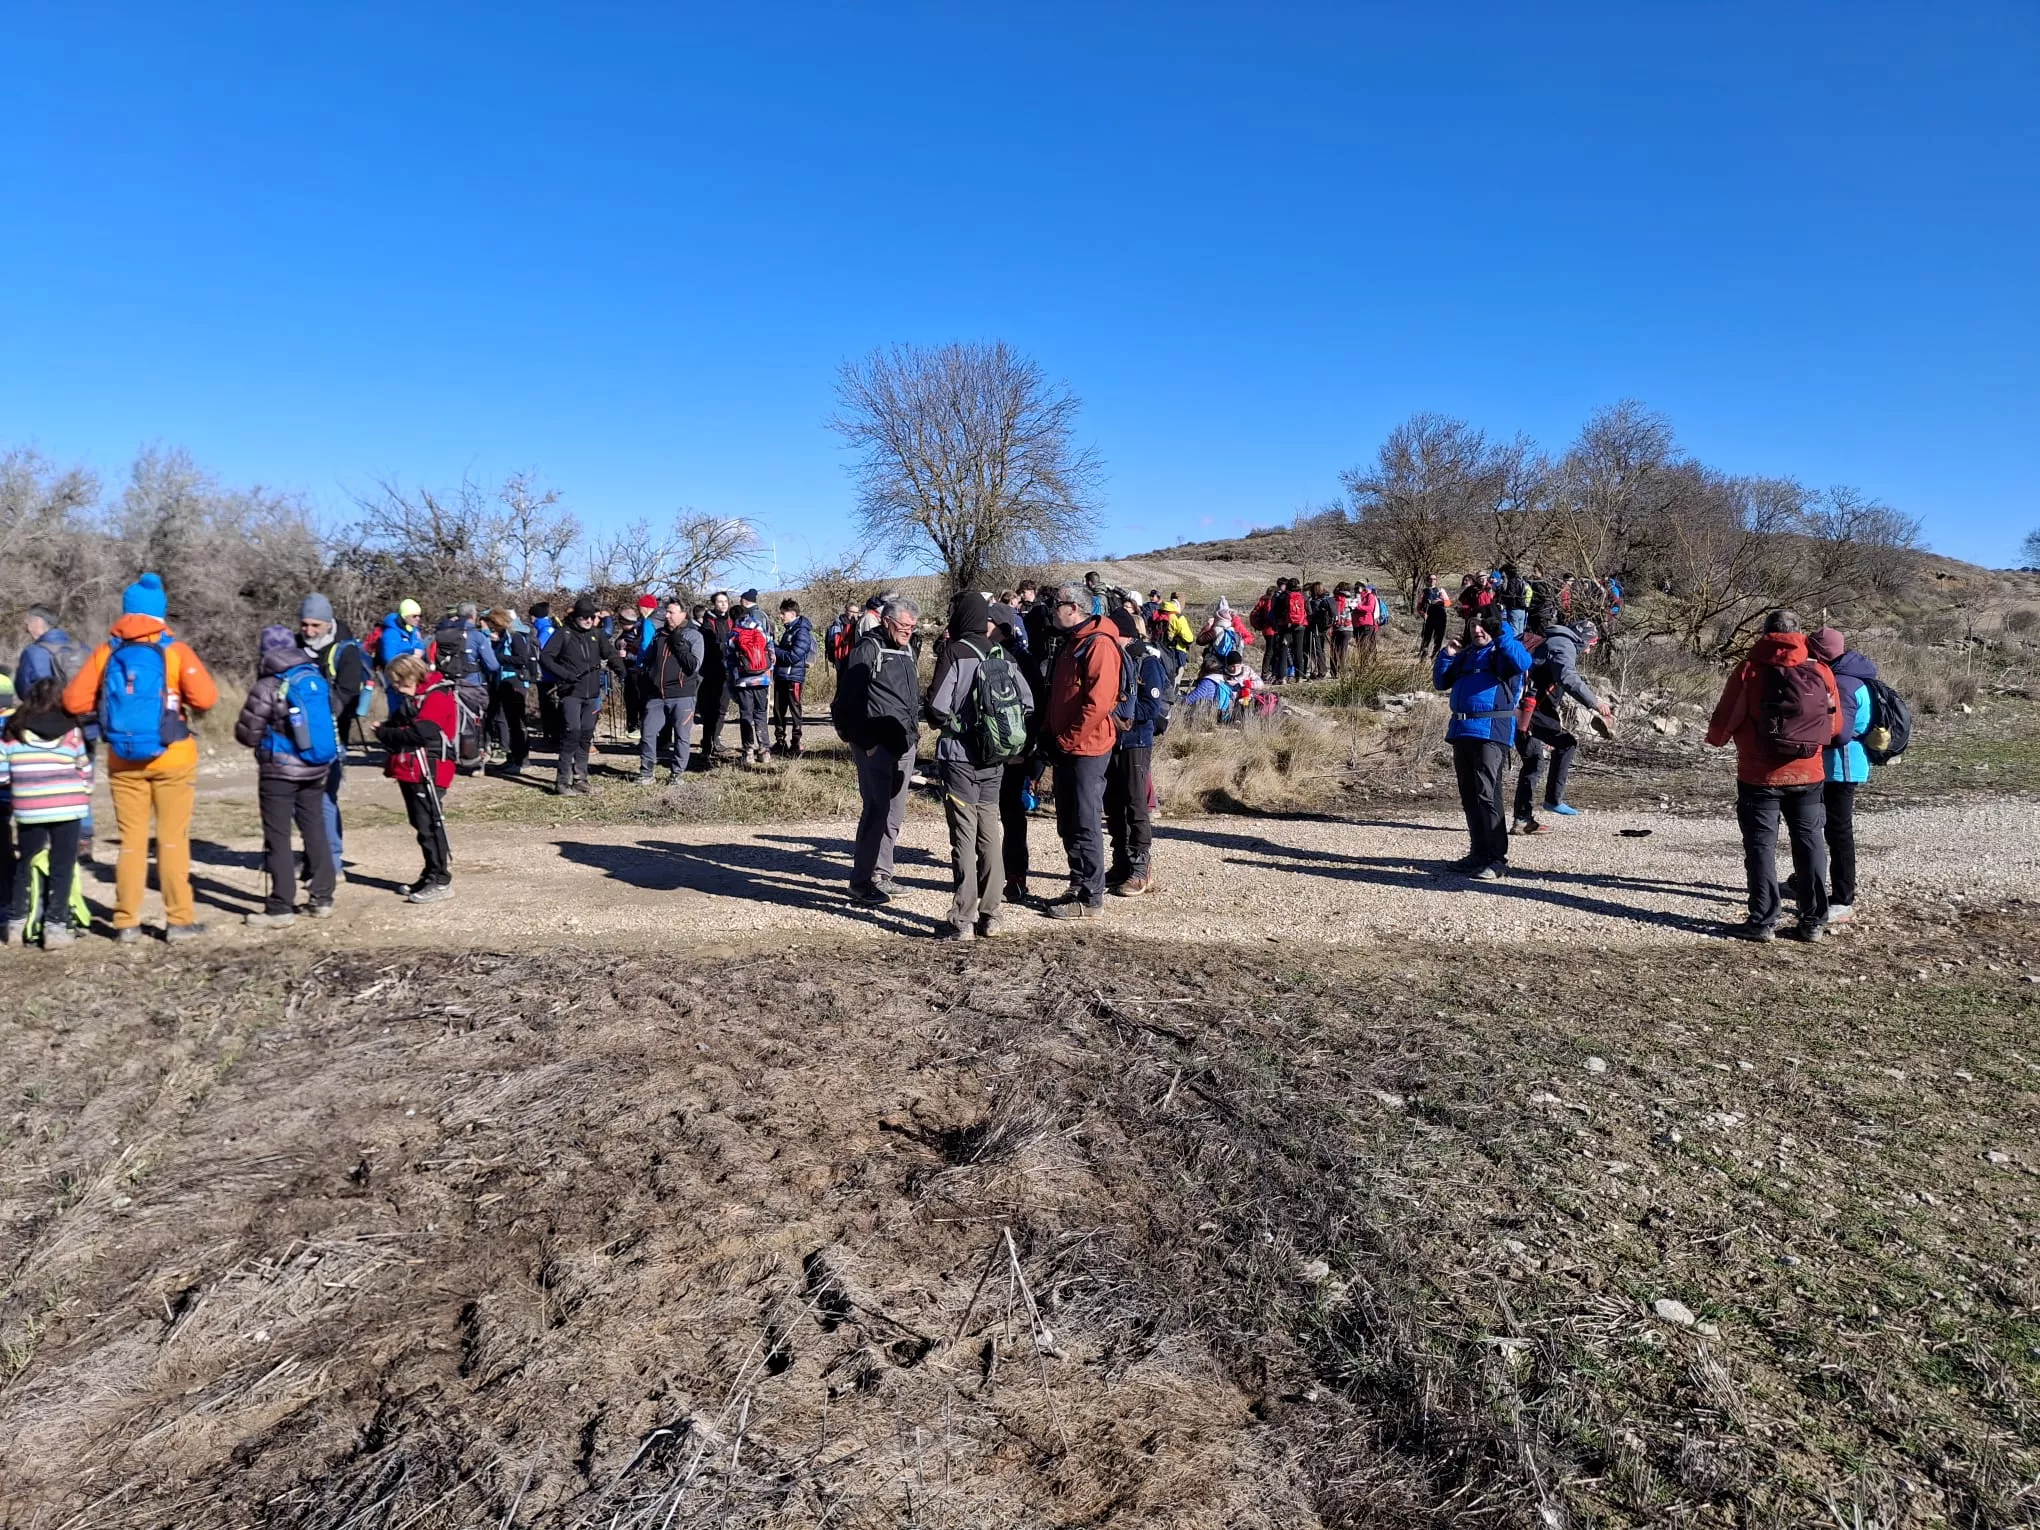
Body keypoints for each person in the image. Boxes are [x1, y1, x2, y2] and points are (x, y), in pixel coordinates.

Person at [62, 573, 219, 943]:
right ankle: (179, 920)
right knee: (171, 840)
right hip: (173, 756)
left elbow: (73, 702)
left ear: (127, 612)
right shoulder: (175, 651)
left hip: (122, 759)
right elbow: (207, 698)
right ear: (160, 614)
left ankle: (125, 921)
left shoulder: (107, 652)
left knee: (131, 842)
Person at [1704, 609, 1844, 942]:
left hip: (1759, 776)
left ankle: (1763, 921)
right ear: (1800, 634)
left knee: (1761, 848)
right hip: (1809, 774)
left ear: (1764, 633)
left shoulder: (1749, 670)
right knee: (1810, 844)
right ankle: (1813, 922)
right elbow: (1835, 726)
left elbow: (1725, 721)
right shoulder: (1821, 670)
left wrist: (1717, 739)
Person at [925, 593, 1034, 939]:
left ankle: (963, 919)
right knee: (990, 833)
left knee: (963, 835)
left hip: (958, 758)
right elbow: (1027, 704)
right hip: (995, 758)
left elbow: (937, 710)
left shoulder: (955, 653)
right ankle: (993, 915)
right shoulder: (1004, 655)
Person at [232, 625, 339, 926]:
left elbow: (247, 734)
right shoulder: (313, 675)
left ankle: (280, 907)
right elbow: (335, 709)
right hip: (316, 766)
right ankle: (322, 897)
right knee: (314, 828)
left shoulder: (268, 684)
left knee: (278, 836)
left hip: (278, 771)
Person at [1432, 596, 1533, 880]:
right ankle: (1478, 853)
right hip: (1462, 730)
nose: (1477, 630)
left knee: (1488, 794)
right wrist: (1447, 655)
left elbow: (1523, 661)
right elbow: (1441, 682)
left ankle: (1496, 859)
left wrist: (1500, 633)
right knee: (1469, 795)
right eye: (1472, 624)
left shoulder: (1502, 652)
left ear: (1493, 625)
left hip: (1491, 732)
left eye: (1482, 624)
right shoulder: (1466, 653)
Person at [1042, 583, 1124, 919]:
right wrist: (1050, 735)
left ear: (1074, 607)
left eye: (1056, 604)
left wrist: (1067, 739)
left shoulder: (1098, 644)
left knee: (1086, 819)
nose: (1052, 610)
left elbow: (1099, 703)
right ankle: (1078, 882)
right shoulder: (1072, 642)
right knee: (1068, 818)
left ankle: (1091, 897)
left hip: (1087, 747)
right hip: (1067, 745)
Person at [834, 596, 922, 903]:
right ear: (886, 621)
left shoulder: (907, 649)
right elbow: (846, 703)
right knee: (876, 811)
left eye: (913, 626)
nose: (908, 631)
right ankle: (861, 881)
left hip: (905, 743)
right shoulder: (867, 649)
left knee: (894, 813)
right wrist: (866, 743)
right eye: (903, 625)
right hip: (876, 746)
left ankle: (882, 875)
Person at [0, 678, 92, 948]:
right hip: (68, 806)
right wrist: (82, 789)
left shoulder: (13, 731)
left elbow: (2, 775)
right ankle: (55, 926)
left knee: (26, 863)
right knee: (62, 865)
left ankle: (16, 924)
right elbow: (84, 770)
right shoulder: (72, 730)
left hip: (30, 808)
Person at [1512, 611, 1615, 835]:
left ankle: (1523, 819)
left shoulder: (1553, 640)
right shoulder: (1563, 644)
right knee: (1561, 746)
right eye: (1591, 645)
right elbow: (1567, 677)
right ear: (1586, 639)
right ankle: (1549, 802)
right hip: (1529, 709)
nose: (1589, 650)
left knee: (1535, 759)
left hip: (1524, 706)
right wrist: (1594, 702)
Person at [374, 652, 458, 902]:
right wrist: (389, 730)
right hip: (411, 767)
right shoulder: (415, 698)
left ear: (411, 675)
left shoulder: (437, 695)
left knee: (430, 823)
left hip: (431, 769)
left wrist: (385, 734)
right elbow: (399, 724)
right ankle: (430, 872)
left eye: (400, 682)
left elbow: (422, 732)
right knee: (419, 823)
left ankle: (441, 878)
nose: (397, 688)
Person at [1808, 626, 1874, 924]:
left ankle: (1843, 899)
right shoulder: (1852, 675)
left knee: (1838, 832)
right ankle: (1807, 883)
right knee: (1816, 826)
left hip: (1841, 767)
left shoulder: (1843, 683)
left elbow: (1841, 734)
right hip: (1838, 765)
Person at [1106, 611, 1171, 896]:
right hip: (1109, 741)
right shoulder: (1112, 659)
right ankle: (1120, 861)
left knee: (1135, 803)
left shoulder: (1146, 661)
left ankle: (1141, 868)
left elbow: (1151, 708)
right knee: (1112, 804)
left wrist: (1114, 713)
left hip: (1136, 741)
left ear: (1125, 633)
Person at [539, 596, 608, 795]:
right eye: (584, 617)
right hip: (571, 692)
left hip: (592, 693)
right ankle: (562, 783)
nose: (588, 620)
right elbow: (546, 657)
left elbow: (609, 653)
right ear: (575, 617)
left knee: (586, 735)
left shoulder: (597, 634)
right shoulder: (564, 633)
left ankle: (581, 779)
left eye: (591, 616)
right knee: (572, 733)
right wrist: (564, 675)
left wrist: (620, 668)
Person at [636, 598, 703, 784]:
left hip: (683, 695)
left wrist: (677, 640)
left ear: (683, 614)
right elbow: (647, 659)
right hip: (656, 695)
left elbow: (693, 666)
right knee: (648, 733)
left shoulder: (694, 636)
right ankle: (646, 773)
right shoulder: (659, 635)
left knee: (682, 736)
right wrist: (647, 673)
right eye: (666, 612)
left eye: (671, 612)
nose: (667, 615)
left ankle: (677, 774)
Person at [483, 608, 538, 775]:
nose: (492, 627)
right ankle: (513, 758)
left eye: (493, 624)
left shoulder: (516, 636)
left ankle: (521, 759)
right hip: (505, 681)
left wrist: (499, 658)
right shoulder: (506, 636)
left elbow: (521, 659)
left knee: (516, 723)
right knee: (510, 721)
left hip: (515, 681)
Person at [726, 601, 775, 764]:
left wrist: (732, 679)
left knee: (746, 715)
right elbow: (770, 650)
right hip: (762, 678)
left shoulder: (734, 634)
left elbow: (729, 661)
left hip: (743, 680)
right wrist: (768, 672)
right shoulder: (759, 627)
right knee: (761, 713)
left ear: (732, 618)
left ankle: (748, 752)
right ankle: (765, 750)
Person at [769, 599, 815, 758]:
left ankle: (796, 743)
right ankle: (780, 742)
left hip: (793, 677)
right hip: (782, 676)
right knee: (778, 710)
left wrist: (775, 650)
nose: (780, 616)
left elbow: (794, 656)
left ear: (793, 614)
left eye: (783, 613)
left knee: (795, 710)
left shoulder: (801, 631)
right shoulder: (789, 630)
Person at [695, 591, 735, 767]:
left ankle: (716, 738)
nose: (723, 604)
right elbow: (710, 644)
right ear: (714, 604)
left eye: (725, 601)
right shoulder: (708, 622)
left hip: (727, 670)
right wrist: (726, 645)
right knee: (710, 708)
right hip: (711, 670)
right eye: (720, 602)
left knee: (722, 707)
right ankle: (707, 741)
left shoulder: (731, 619)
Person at [368, 599, 428, 715]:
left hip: (409, 676)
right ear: (405, 616)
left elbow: (419, 645)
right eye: (414, 616)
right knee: (397, 708)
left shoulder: (413, 630)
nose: (418, 619)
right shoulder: (391, 633)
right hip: (395, 677)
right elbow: (389, 657)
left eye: (420, 616)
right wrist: (410, 652)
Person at [528, 600, 563, 748]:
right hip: (545, 675)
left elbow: (542, 650)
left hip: (549, 675)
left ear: (535, 617)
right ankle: (549, 734)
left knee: (550, 706)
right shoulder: (546, 628)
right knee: (546, 705)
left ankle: (554, 737)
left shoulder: (547, 630)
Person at [625, 594, 660, 739]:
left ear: (645, 607)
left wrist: (640, 664)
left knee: (645, 702)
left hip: (647, 666)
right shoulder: (663, 618)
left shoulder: (648, 621)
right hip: (661, 665)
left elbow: (645, 644)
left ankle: (647, 736)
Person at [1417, 575, 1451, 657]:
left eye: (1434, 579)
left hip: (1440, 617)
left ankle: (1435, 657)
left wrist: (1441, 601)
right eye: (1430, 579)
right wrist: (1422, 614)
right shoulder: (1423, 592)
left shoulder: (1441, 590)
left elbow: (1448, 603)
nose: (1432, 580)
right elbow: (1419, 607)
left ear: (1436, 580)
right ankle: (1423, 658)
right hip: (1429, 618)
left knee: (1438, 639)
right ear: (1427, 580)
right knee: (1426, 638)